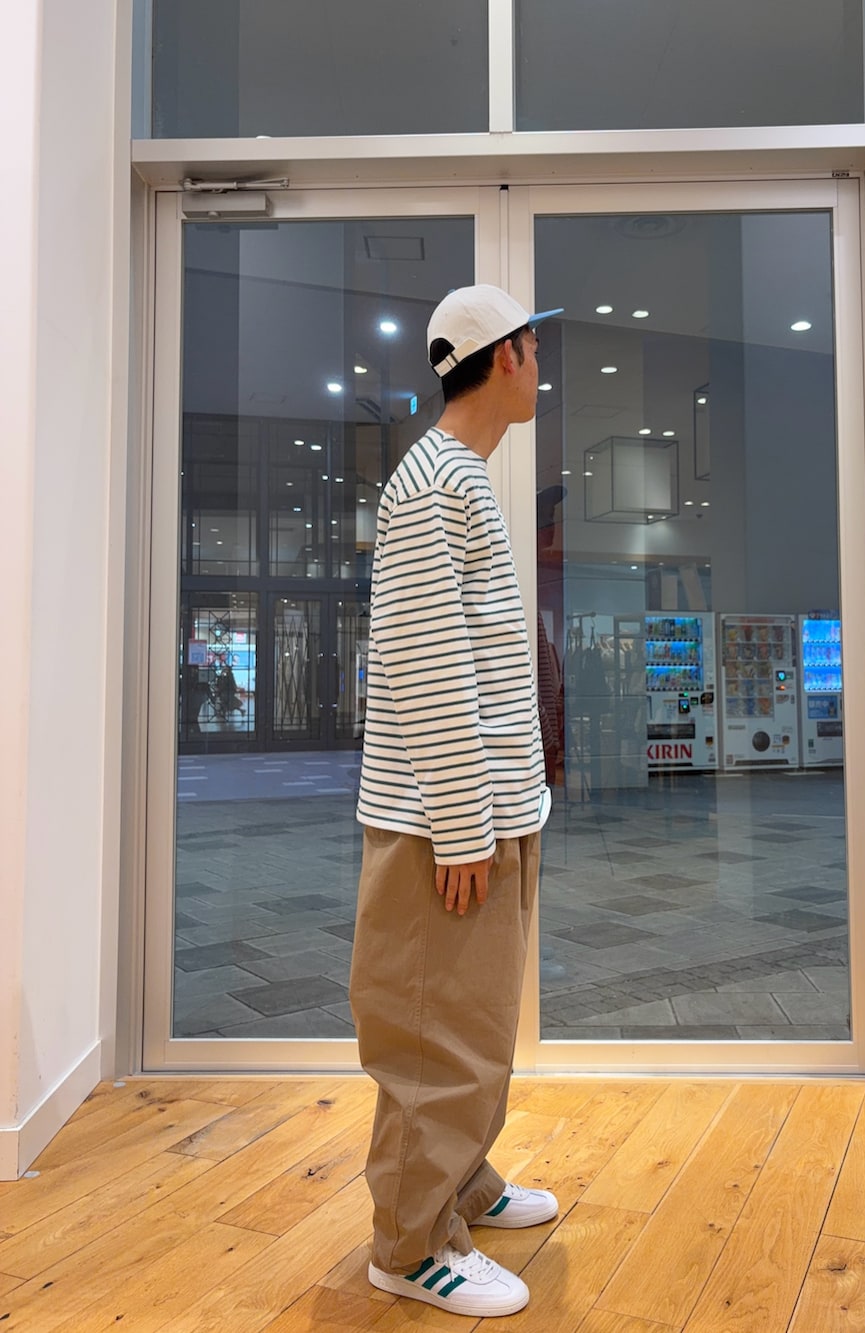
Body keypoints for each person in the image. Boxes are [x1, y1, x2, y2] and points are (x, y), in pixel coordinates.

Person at [349, 285, 563, 1319]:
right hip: (446, 823)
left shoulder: (456, 477)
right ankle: (409, 1240)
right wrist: (464, 825)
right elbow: (425, 664)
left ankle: (458, 1182)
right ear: (506, 356)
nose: (541, 365)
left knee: (470, 1022)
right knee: (433, 1030)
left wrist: (502, 814)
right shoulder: (434, 482)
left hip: (484, 814)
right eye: (534, 346)